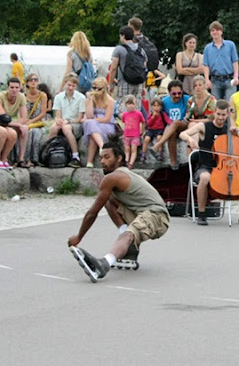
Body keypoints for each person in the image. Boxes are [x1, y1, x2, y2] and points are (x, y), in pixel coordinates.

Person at [67, 135, 170, 283]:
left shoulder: (114, 177)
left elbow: (92, 213)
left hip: (157, 216)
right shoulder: (117, 176)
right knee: (108, 199)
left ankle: (104, 264)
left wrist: (79, 237)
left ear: (119, 158)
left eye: (107, 157)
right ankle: (129, 247)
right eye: (101, 157)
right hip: (141, 212)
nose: (102, 161)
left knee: (129, 234)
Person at [180, 99, 239, 226]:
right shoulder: (205, 127)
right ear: (214, 112)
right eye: (219, 114)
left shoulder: (229, 130)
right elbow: (183, 133)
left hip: (226, 168)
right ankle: (202, 214)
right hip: (206, 167)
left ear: (227, 115)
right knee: (205, 178)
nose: (221, 117)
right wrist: (190, 140)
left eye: (223, 115)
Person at [48, 74, 86, 168]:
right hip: (63, 121)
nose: (70, 88)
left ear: (76, 86)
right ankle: (49, 152)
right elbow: (58, 116)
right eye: (69, 85)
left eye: (73, 86)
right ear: (65, 84)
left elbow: (80, 118)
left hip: (75, 123)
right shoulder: (58, 97)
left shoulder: (81, 98)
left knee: (66, 129)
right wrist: (59, 121)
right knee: (53, 128)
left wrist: (69, 121)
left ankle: (75, 156)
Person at [151, 79, 190, 168]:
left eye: (179, 93)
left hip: (183, 125)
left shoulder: (187, 99)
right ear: (169, 92)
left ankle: (157, 145)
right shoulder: (165, 101)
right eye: (174, 94)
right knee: (171, 133)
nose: (177, 96)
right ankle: (173, 162)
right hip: (171, 127)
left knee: (175, 123)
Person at [108, 25, 147, 110]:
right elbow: (144, 69)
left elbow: (113, 68)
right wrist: (143, 86)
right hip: (139, 83)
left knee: (123, 106)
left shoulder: (119, 49)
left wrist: (111, 85)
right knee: (136, 107)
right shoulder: (141, 50)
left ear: (123, 36)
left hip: (124, 82)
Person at [82, 77, 116, 168]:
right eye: (94, 88)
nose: (96, 90)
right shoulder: (91, 99)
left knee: (91, 128)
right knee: (90, 125)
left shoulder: (110, 101)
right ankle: (101, 146)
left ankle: (90, 160)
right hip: (94, 124)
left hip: (106, 124)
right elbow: (89, 115)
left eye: (99, 88)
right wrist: (89, 101)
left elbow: (107, 118)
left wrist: (94, 120)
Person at [0, 78, 30, 167]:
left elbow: (24, 117)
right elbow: (0, 117)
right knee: (10, 131)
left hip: (9, 122)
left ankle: (21, 159)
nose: (14, 90)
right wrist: (17, 124)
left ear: (20, 88)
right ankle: (0, 158)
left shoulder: (21, 97)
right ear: (7, 88)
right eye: (12, 87)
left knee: (25, 128)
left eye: (16, 88)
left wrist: (19, 124)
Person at [202, 20, 239, 100]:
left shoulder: (230, 45)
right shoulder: (207, 48)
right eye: (213, 30)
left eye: (217, 30)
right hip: (215, 80)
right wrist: (207, 79)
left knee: (230, 103)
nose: (215, 32)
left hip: (229, 79)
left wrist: (236, 77)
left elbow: (235, 62)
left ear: (221, 32)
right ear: (210, 33)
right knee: (216, 105)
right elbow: (206, 65)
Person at [23, 73, 48, 167]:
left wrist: (32, 121)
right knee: (28, 132)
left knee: (35, 132)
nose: (33, 82)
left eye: (35, 80)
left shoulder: (42, 95)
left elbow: (43, 113)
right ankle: (25, 159)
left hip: (38, 123)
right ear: (27, 83)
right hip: (27, 122)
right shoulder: (23, 96)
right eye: (31, 80)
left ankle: (35, 158)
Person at [142, 97, 170, 164]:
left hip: (159, 130)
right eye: (154, 106)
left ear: (161, 107)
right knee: (146, 139)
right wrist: (153, 117)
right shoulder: (151, 114)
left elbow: (168, 120)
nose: (156, 108)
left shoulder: (163, 114)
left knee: (159, 138)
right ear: (151, 106)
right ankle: (143, 154)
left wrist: (172, 124)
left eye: (158, 106)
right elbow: (148, 123)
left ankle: (160, 153)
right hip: (151, 130)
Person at [121, 95, 145, 169]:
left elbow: (143, 122)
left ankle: (131, 163)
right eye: (129, 104)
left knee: (133, 150)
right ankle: (126, 161)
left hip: (135, 135)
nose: (131, 106)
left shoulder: (138, 114)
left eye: (132, 104)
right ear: (126, 105)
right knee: (127, 149)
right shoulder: (124, 114)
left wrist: (142, 130)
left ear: (135, 104)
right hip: (127, 135)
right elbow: (123, 123)